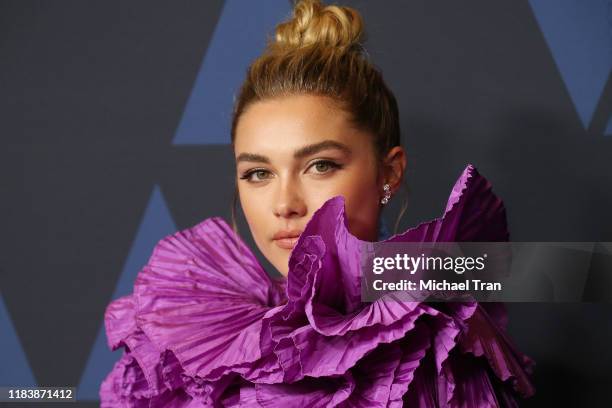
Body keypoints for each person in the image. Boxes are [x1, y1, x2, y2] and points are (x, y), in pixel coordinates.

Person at [100, 0, 535, 406]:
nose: (285, 203)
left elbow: (578, 271)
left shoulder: (442, 333)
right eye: (258, 173)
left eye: (320, 165)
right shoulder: (187, 340)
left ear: (390, 173)